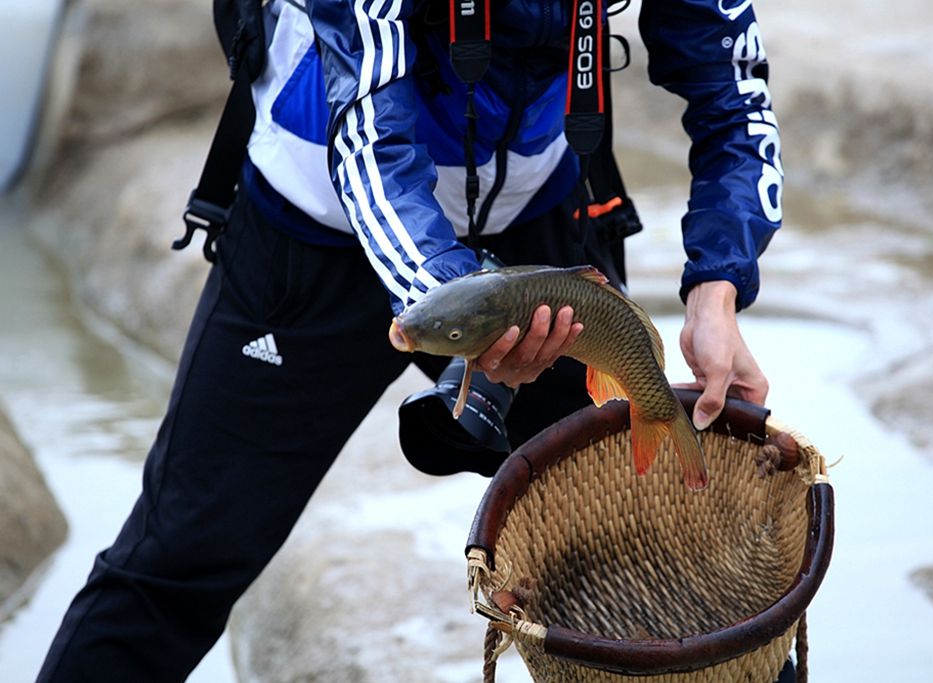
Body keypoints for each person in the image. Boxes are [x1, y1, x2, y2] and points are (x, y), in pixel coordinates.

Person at [37, 0, 780, 680]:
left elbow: (731, 84)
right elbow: (371, 132)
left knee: (662, 549)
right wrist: (466, 310)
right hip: (320, 218)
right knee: (176, 564)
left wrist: (717, 288)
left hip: (538, 214)